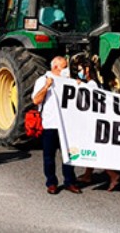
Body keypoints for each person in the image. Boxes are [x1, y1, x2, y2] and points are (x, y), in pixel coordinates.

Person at [32, 56, 80, 194]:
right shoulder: (42, 80)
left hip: (66, 125)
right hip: (50, 124)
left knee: (69, 156)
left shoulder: (68, 81)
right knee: (49, 157)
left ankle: (70, 181)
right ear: (55, 67)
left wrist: (79, 86)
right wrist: (47, 86)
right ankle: (51, 183)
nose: (67, 70)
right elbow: (36, 100)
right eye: (64, 67)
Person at [74, 59, 120, 191]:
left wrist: (79, 87)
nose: (79, 73)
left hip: (92, 123)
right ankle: (88, 175)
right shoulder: (95, 83)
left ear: (87, 70)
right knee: (91, 148)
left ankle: (113, 175)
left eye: (80, 70)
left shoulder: (91, 85)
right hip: (94, 122)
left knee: (95, 151)